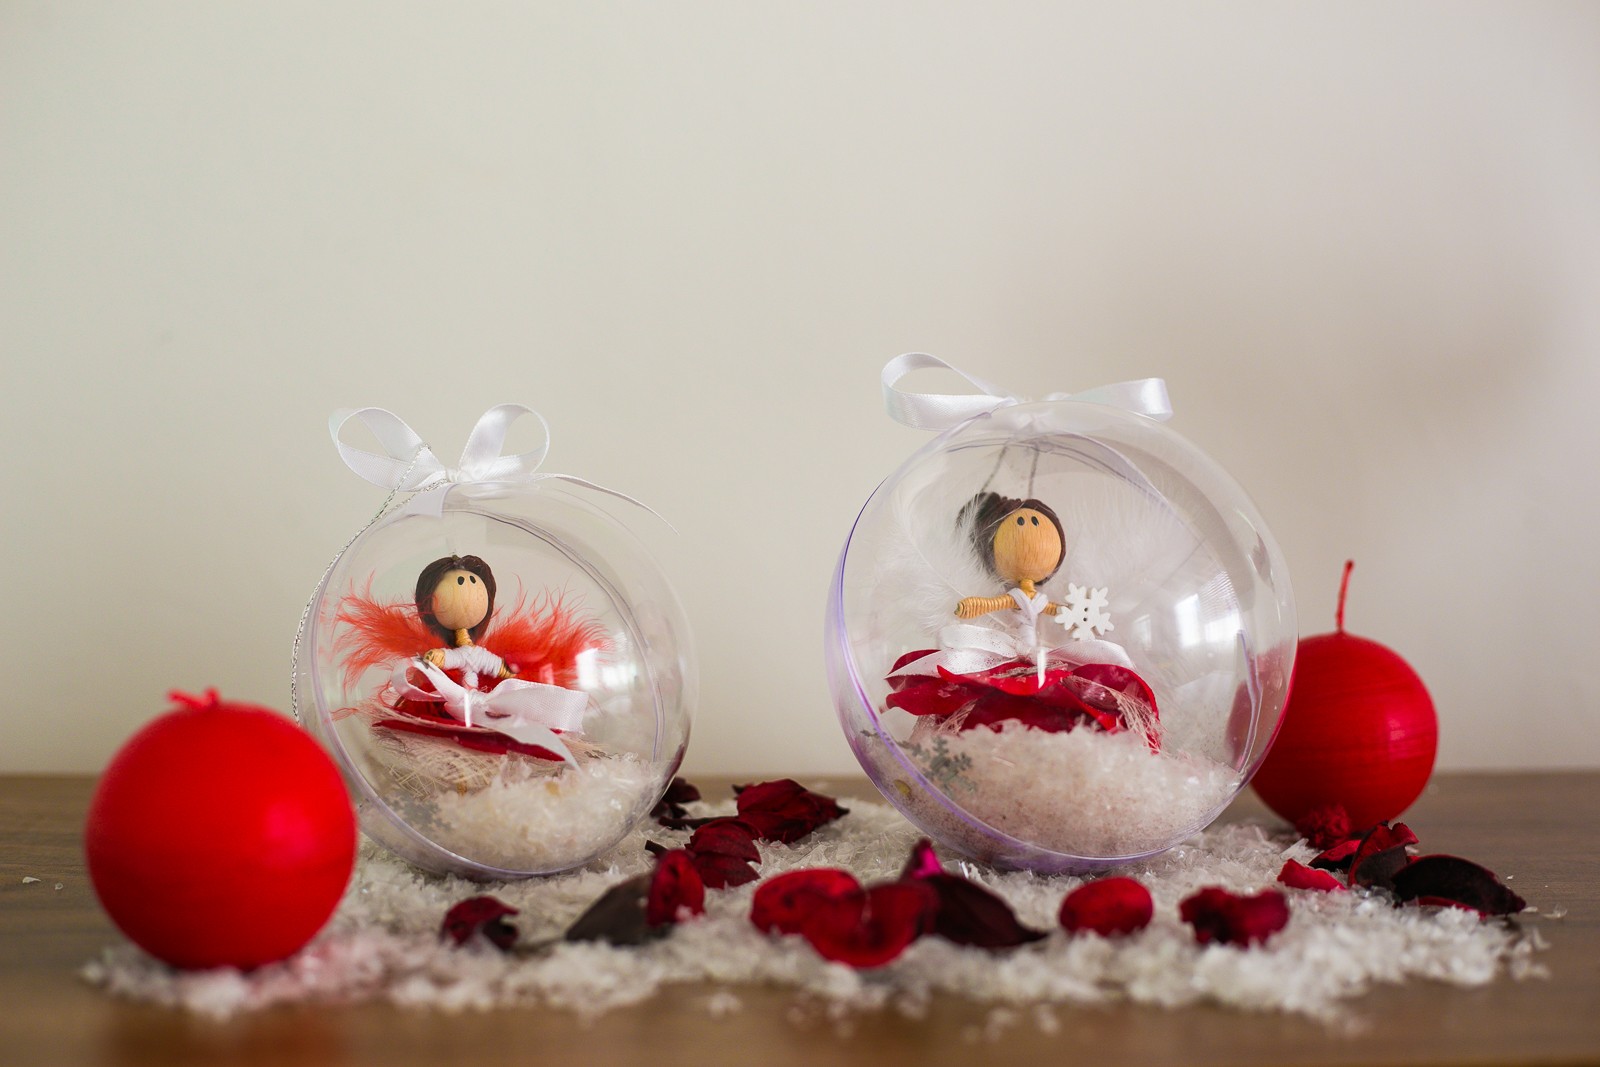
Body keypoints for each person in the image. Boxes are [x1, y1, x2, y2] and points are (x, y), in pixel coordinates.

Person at [886, 493, 1160, 746]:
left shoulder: (1037, 598)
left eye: (1038, 524)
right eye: (1020, 522)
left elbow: (1057, 610)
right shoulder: (1016, 596)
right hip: (1017, 649)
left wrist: (1081, 614)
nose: (1031, 533)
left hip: (1037, 652)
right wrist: (975, 605)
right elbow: (995, 604)